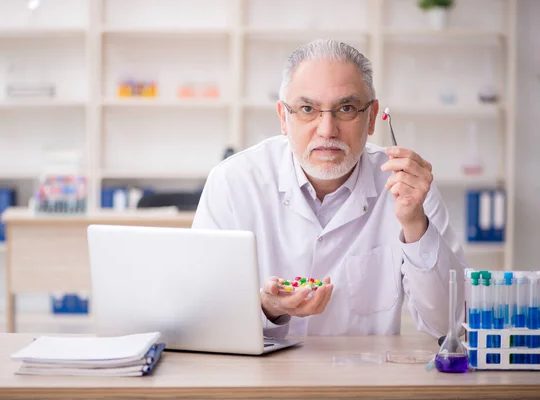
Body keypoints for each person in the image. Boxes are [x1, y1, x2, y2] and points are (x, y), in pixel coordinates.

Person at [192, 39, 467, 339]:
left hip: (364, 381)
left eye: (346, 108)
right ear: (284, 118)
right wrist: (266, 308)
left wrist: (414, 223)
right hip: (262, 382)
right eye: (307, 108)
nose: (326, 130)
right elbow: (202, 315)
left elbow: (449, 325)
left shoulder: (408, 187)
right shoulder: (233, 183)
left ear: (372, 117)